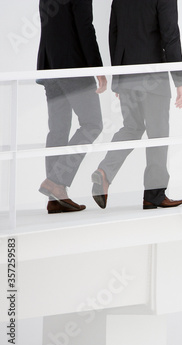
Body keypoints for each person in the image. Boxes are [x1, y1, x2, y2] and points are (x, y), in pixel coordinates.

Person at [91, 0, 182, 210]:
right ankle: (154, 195)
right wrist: (180, 81)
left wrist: (118, 78)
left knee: (132, 127)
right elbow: (170, 35)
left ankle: (105, 172)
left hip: (127, 72)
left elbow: (113, 35)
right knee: (158, 134)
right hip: (153, 76)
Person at [37, 0, 107, 214]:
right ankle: (55, 182)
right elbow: (85, 26)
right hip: (73, 66)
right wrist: (97, 67)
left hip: (50, 66)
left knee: (58, 130)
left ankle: (55, 198)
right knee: (93, 124)